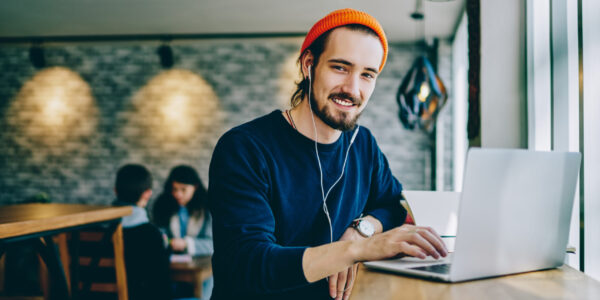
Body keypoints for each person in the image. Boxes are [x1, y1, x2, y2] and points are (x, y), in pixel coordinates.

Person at [208, 8, 448, 300]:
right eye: (340, 67)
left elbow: (393, 205)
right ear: (309, 64)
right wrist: (355, 250)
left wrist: (361, 230)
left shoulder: (363, 144)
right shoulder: (245, 147)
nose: (353, 89)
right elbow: (248, 264)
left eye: (367, 75)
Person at [153, 165, 213, 299]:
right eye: (174, 189)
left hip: (203, 266)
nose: (178, 194)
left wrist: (186, 244)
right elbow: (159, 235)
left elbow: (213, 243)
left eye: (183, 190)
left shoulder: (208, 207)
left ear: (195, 187)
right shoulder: (163, 205)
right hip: (172, 265)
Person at [112, 164, 171, 300]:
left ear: (115, 191)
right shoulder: (151, 235)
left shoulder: (92, 230)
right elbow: (162, 288)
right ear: (147, 194)